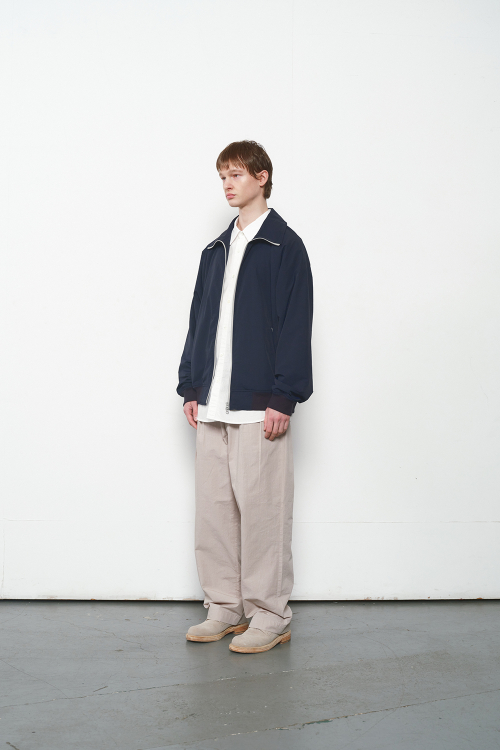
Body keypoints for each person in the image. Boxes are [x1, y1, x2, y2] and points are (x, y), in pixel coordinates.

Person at [177, 140, 313, 654]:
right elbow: (198, 322)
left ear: (262, 177)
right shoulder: (215, 250)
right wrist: (190, 385)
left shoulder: (284, 246)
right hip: (212, 402)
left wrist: (284, 395)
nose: (228, 184)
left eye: (236, 174)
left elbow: (296, 324)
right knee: (214, 513)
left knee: (263, 515)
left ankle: (270, 614)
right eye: (222, 176)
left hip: (260, 405)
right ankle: (224, 607)